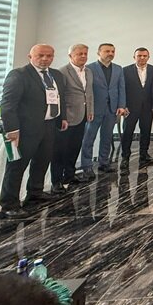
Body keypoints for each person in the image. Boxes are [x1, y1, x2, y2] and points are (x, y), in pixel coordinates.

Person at [0, 44, 68, 218]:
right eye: (40, 55)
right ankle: (9, 205)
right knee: (17, 167)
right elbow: (7, 105)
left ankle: (35, 193)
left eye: (49, 56)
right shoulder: (19, 75)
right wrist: (12, 129)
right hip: (24, 129)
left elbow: (60, 99)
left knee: (42, 162)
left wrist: (62, 117)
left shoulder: (56, 75)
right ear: (30, 57)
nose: (45, 59)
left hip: (49, 125)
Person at [52, 43, 94, 194]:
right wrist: (62, 117)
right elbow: (59, 97)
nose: (83, 56)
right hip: (67, 117)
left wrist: (90, 111)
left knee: (74, 147)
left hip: (82, 116)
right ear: (70, 56)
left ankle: (69, 175)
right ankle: (56, 181)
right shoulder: (62, 72)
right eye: (79, 54)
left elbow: (89, 93)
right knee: (60, 150)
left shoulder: (88, 71)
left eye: (85, 54)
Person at [80, 43, 126, 178]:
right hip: (94, 109)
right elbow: (86, 89)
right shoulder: (89, 68)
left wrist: (121, 105)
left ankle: (104, 162)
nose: (110, 54)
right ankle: (87, 166)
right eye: (107, 51)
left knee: (107, 137)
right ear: (98, 53)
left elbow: (121, 88)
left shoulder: (118, 69)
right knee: (89, 138)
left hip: (112, 109)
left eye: (112, 51)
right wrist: (87, 108)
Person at [121, 47, 153, 171]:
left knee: (146, 131)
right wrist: (123, 105)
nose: (142, 58)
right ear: (134, 57)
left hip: (148, 107)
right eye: (139, 56)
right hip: (130, 108)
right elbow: (122, 89)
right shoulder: (125, 70)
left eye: (144, 56)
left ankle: (144, 154)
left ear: (148, 57)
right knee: (127, 132)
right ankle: (125, 157)